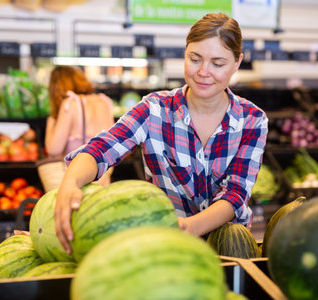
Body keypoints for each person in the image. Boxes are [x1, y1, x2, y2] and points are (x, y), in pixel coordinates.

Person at [55, 12, 268, 254]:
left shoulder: (252, 120)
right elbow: (102, 148)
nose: (203, 72)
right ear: (185, 53)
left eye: (217, 64)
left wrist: (188, 227)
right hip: (166, 247)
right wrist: (70, 183)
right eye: (195, 59)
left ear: (237, 63)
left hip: (231, 249)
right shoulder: (154, 109)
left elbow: (236, 193)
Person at [44, 65, 115, 186]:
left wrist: (51, 120)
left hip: (78, 181)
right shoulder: (104, 101)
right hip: (103, 178)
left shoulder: (71, 103)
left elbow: (53, 150)